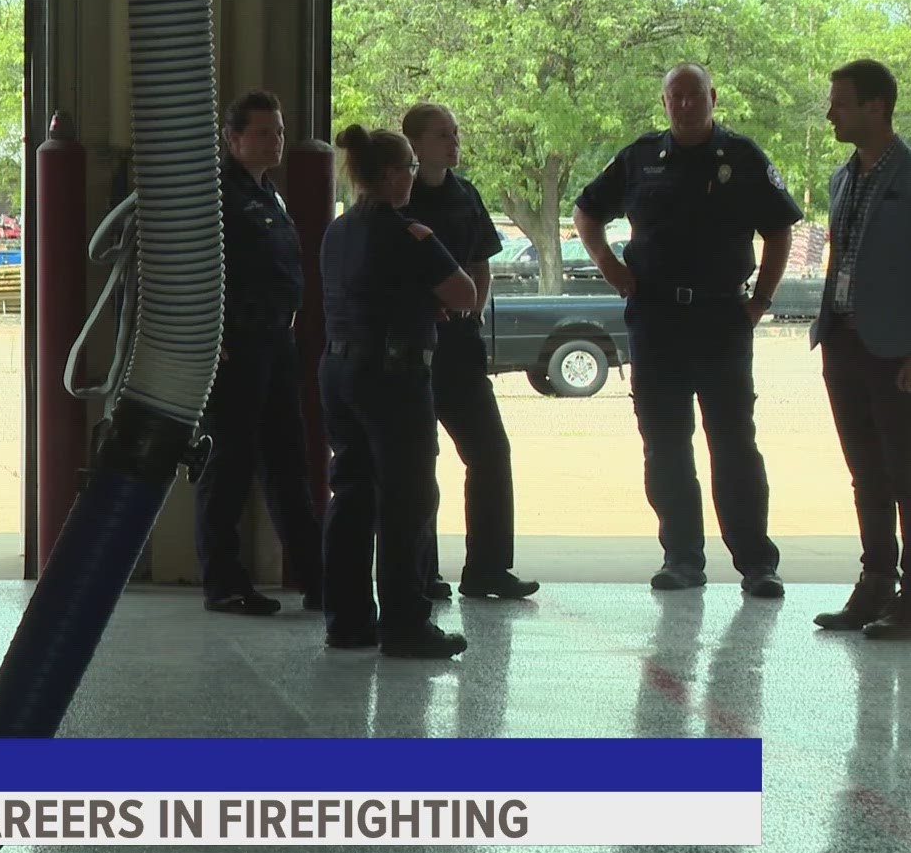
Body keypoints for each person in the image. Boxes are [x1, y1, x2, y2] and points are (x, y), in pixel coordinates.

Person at [572, 63, 801, 598]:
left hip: (722, 319)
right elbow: (587, 213)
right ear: (664, 102)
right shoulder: (640, 157)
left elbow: (779, 230)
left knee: (734, 443)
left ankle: (756, 563)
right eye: (675, 96)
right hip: (656, 320)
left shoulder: (743, 157)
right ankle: (681, 559)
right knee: (666, 444)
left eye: (693, 94)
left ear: (712, 97)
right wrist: (609, 266)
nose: (684, 104)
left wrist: (761, 299)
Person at [810, 59, 911, 640]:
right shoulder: (842, 178)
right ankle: (875, 586)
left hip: (899, 354)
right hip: (843, 345)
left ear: (877, 107)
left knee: (906, 478)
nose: (830, 114)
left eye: (840, 104)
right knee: (865, 476)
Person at [318, 124, 474, 657]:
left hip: (339, 370)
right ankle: (405, 623)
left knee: (353, 492)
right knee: (407, 500)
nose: (412, 177)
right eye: (408, 167)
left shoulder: (337, 232)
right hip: (393, 377)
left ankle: (347, 619)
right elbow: (465, 293)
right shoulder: (410, 233)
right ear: (388, 176)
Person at [193, 90, 324, 615]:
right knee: (228, 467)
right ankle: (223, 583)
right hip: (235, 348)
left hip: (275, 343)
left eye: (280, 132)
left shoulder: (270, 194)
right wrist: (212, 336)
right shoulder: (217, 198)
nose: (276, 142)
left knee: (288, 464)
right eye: (264, 133)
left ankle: (318, 578)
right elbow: (196, 273)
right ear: (233, 138)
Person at [400, 103, 539, 601]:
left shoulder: (465, 194)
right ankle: (423, 573)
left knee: (490, 453)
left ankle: (488, 569)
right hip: (411, 349)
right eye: (443, 136)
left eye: (456, 134)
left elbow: (481, 263)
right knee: (419, 462)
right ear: (414, 145)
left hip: (460, 348)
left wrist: (472, 309)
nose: (454, 143)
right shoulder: (399, 197)